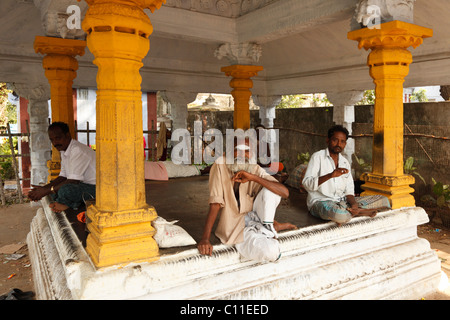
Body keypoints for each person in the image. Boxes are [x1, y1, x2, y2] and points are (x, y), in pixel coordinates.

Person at [197, 138, 297, 262]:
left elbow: (284, 192)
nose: (241, 155)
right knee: (270, 252)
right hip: (235, 228)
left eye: (247, 151)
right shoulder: (220, 165)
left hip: (256, 221)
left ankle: (269, 227)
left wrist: (253, 178)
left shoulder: (254, 168)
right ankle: (272, 229)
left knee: (271, 190)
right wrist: (205, 239)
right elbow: (215, 203)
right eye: (237, 150)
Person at [302, 125, 390, 226]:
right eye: (335, 140)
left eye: (342, 141)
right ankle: (358, 212)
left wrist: (354, 204)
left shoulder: (344, 162)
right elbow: (306, 184)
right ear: (328, 140)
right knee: (338, 214)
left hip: (342, 201)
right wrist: (330, 175)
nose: (338, 144)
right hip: (320, 202)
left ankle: (353, 211)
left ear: (345, 143)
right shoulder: (317, 157)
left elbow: (349, 190)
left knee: (384, 200)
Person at [28, 122, 96, 213]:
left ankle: (66, 204)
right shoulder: (64, 150)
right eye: (52, 140)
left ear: (67, 135)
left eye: (58, 138)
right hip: (82, 185)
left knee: (65, 190)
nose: (55, 143)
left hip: (96, 189)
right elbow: (62, 177)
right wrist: (43, 189)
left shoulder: (77, 150)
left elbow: (73, 180)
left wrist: (46, 191)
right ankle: (65, 203)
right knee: (54, 185)